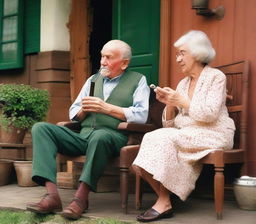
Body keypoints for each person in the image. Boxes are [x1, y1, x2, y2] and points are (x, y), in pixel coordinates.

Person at [26, 40, 150, 220]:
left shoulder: (138, 80)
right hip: (84, 136)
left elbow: (141, 115)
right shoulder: (92, 80)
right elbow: (73, 112)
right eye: (102, 56)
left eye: (109, 57)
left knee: (99, 136)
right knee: (41, 128)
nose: (102, 62)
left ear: (124, 63)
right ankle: (52, 196)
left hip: (113, 137)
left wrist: (106, 108)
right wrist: (83, 109)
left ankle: (81, 199)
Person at [132, 30, 235, 222]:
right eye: (177, 54)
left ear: (197, 53)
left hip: (215, 132)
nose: (178, 59)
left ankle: (164, 202)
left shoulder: (216, 77)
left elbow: (210, 114)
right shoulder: (182, 83)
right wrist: (170, 103)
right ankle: (165, 200)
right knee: (156, 136)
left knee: (164, 137)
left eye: (182, 53)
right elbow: (170, 124)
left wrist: (183, 101)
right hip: (187, 133)